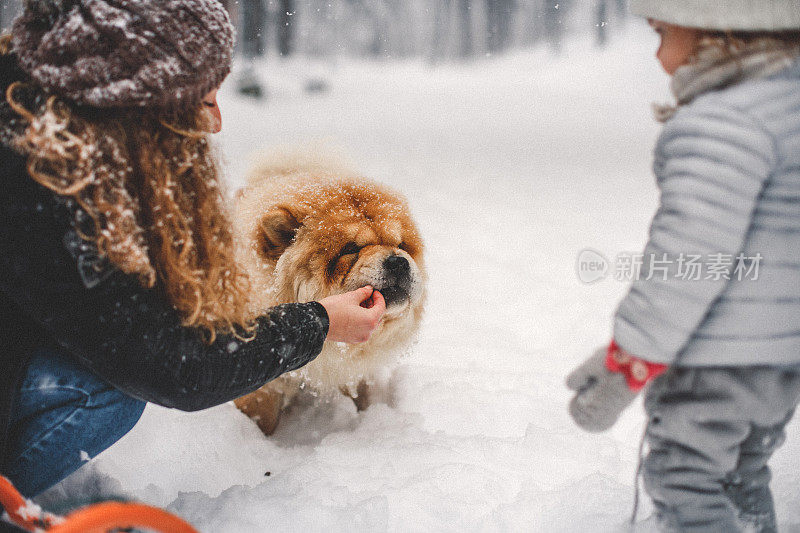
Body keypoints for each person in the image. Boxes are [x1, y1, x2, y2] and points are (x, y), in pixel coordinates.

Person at [0, 0, 385, 502]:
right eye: (203, 97)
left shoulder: (35, 113)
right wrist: (318, 324)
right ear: (142, 92)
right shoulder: (42, 184)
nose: (217, 122)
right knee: (108, 390)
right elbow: (172, 364)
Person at [565, 1, 800, 531]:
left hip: (721, 356)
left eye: (662, 32)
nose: (658, 54)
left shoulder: (722, 123)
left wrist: (630, 359)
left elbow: (686, 264)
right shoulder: (788, 109)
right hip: (782, 356)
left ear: (721, 33)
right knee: (742, 470)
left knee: (686, 477)